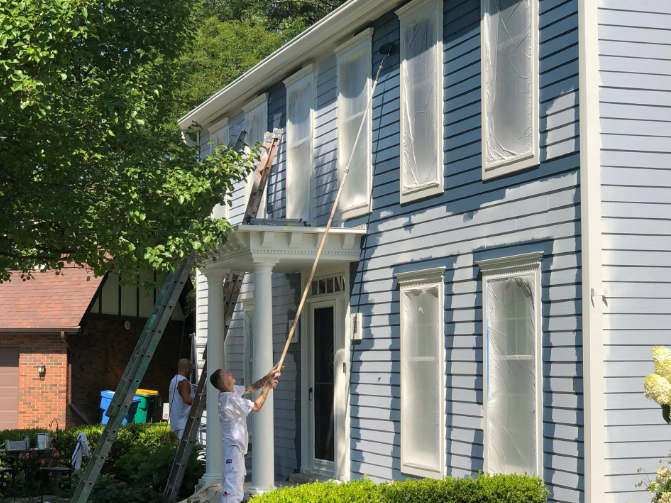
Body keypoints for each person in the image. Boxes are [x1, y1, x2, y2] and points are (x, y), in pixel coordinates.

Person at [210, 366, 281, 503]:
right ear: (225, 383)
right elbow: (256, 407)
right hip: (233, 449)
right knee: (232, 488)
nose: (230, 373)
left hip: (235, 449)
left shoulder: (230, 392)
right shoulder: (230, 398)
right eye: (227, 374)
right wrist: (267, 388)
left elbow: (252, 388)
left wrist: (268, 376)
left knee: (236, 485)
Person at [168, 359, 195, 439]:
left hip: (176, 422)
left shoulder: (174, 380)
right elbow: (187, 399)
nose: (191, 371)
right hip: (184, 423)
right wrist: (203, 403)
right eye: (191, 368)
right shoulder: (183, 381)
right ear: (186, 368)